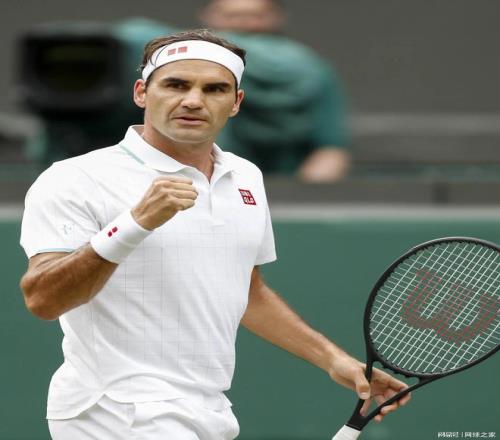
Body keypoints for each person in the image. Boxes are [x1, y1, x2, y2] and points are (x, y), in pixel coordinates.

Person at [19, 29, 409, 439]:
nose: (193, 100)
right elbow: (43, 299)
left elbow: (247, 291)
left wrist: (334, 360)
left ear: (236, 102)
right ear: (141, 93)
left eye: (214, 89)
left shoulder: (245, 176)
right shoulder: (75, 178)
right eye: (176, 84)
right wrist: (133, 224)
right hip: (115, 410)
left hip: (209, 410)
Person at [199, 0, 351, 183]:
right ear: (208, 16)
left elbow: (330, 148)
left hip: (288, 180)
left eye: (255, 16)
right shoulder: (191, 66)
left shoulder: (313, 70)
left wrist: (300, 192)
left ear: (277, 17)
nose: (243, 24)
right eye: (231, 16)